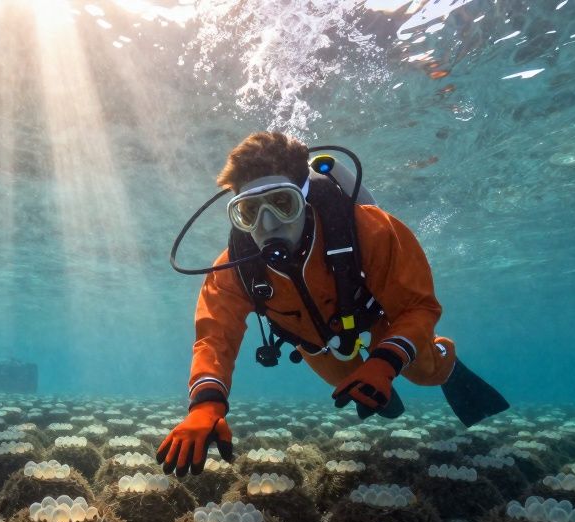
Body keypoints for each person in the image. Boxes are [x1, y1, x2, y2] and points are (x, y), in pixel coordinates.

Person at [158, 131, 508, 476]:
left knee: (422, 372)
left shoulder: (372, 230)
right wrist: (205, 403)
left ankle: (445, 364)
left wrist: (386, 361)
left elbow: (418, 307)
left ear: (305, 198)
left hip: (376, 316)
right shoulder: (233, 269)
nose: (267, 225)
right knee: (348, 380)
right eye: (249, 211)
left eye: (283, 204)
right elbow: (214, 338)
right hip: (314, 342)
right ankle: (376, 387)